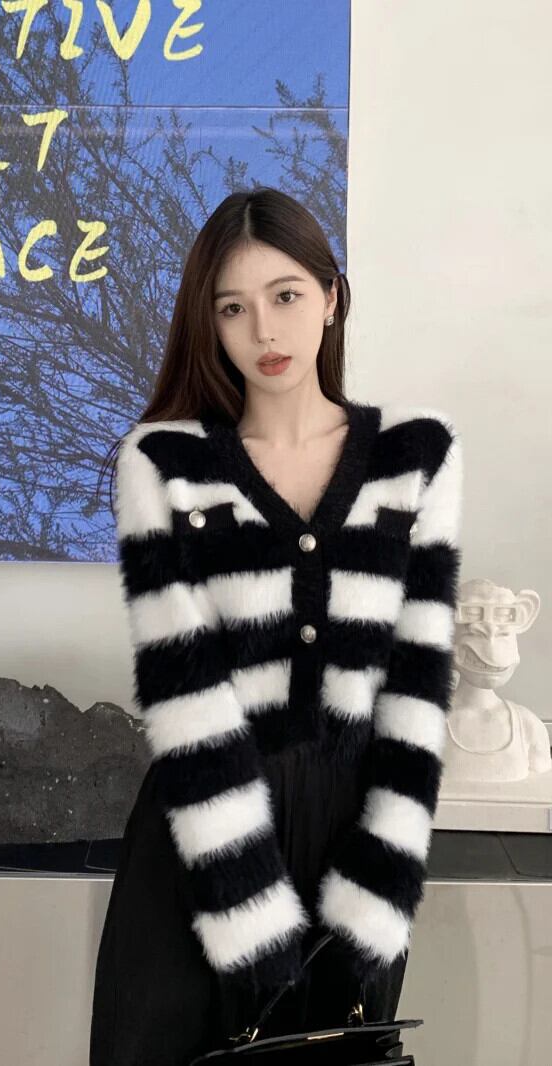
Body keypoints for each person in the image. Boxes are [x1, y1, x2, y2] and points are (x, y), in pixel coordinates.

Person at [89, 187, 463, 1066]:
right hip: (202, 836)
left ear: (332, 297)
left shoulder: (418, 458)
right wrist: (249, 918)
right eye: (233, 308)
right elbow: (181, 691)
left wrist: (378, 893)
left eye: (286, 295)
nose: (264, 330)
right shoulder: (164, 463)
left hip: (356, 851)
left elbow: (418, 691)